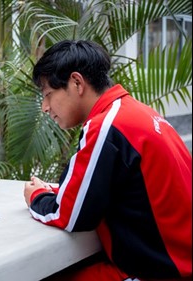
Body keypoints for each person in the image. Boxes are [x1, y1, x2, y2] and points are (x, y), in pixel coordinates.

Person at [23, 40, 192, 280]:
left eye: (48, 94)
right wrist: (54, 189)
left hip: (159, 271)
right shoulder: (138, 112)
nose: (45, 107)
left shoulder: (106, 125)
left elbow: (70, 215)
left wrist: (36, 197)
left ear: (77, 82)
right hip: (176, 260)